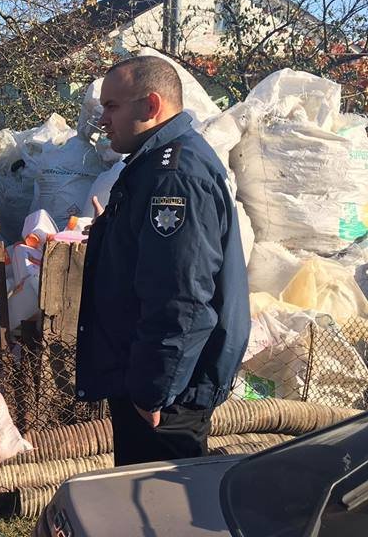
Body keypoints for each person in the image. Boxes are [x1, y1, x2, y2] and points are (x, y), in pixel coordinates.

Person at [75, 54, 250, 467]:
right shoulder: (154, 164)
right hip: (159, 384)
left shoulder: (174, 176)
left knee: (158, 512)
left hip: (167, 396)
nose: (103, 120)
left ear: (151, 106)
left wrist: (153, 390)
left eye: (112, 106)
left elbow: (182, 297)